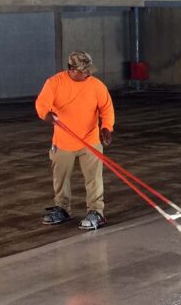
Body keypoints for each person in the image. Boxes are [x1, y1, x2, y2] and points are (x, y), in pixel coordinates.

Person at [35, 51, 114, 230]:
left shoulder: (96, 86)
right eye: (83, 71)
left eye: (89, 70)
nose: (88, 74)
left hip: (90, 140)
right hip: (63, 141)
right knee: (60, 177)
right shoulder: (54, 83)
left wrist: (106, 127)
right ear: (71, 69)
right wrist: (47, 115)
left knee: (94, 178)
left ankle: (96, 211)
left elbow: (106, 108)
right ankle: (62, 208)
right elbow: (42, 104)